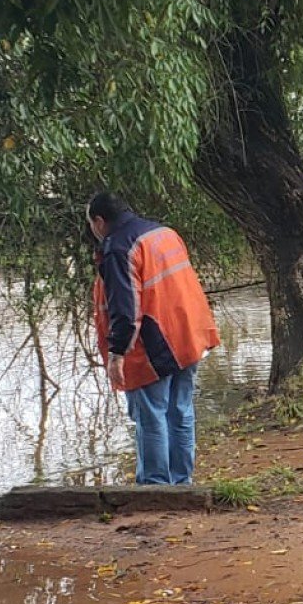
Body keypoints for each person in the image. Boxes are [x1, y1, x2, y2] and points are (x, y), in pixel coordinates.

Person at [88, 193, 221, 485]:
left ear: (99, 221)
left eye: (92, 225)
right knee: (180, 411)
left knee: (151, 416)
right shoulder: (164, 233)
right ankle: (181, 483)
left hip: (153, 346)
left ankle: (155, 488)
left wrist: (117, 353)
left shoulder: (119, 248)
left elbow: (125, 308)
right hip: (188, 334)